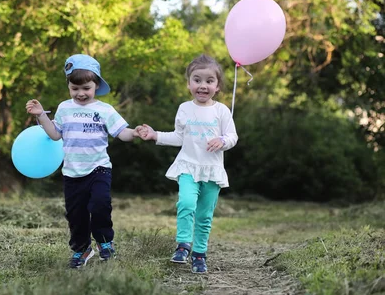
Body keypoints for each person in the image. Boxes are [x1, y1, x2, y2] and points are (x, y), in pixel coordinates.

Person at [26, 54, 140, 269]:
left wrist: (136, 132)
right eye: (74, 88)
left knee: (100, 205)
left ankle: (105, 242)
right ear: (69, 86)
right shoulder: (64, 108)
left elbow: (121, 132)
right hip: (72, 172)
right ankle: (82, 249)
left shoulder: (105, 110)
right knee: (76, 215)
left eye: (86, 88)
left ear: (96, 85)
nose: (80, 93)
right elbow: (55, 134)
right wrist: (41, 115)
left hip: (99, 168)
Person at [137, 54, 238, 274]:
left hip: (212, 171)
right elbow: (179, 137)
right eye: (197, 80)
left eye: (209, 81)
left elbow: (233, 137)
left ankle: (200, 254)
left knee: (204, 215)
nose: (203, 85)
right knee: (186, 204)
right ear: (189, 83)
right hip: (188, 166)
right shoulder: (184, 108)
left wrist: (222, 140)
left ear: (217, 86)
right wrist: (155, 135)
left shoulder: (221, 111)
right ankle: (183, 245)